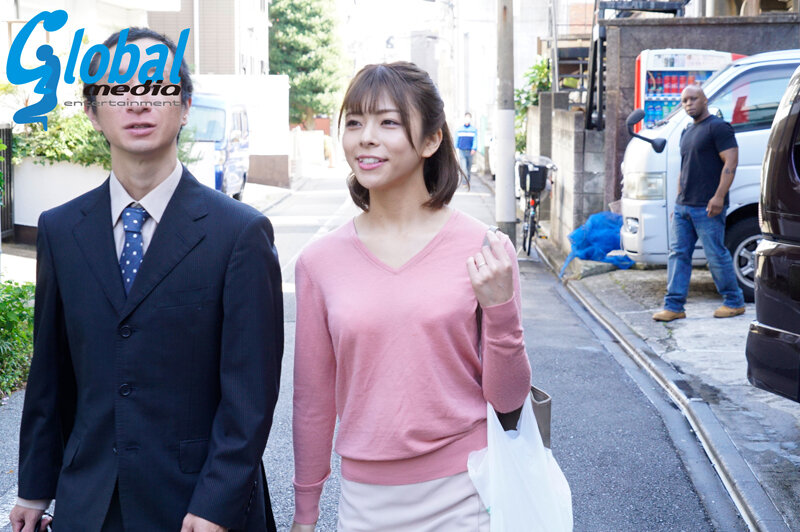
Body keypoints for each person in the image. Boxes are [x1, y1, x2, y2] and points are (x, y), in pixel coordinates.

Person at [9, 28, 283, 532]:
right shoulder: (61, 230)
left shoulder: (239, 233)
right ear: (93, 112)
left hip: (199, 506)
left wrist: (217, 502)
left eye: (156, 87)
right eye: (117, 90)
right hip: (91, 502)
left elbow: (250, 396)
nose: (138, 103)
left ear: (185, 106)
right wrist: (33, 487)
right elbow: (49, 378)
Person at [290, 62, 531, 531]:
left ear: (431, 140)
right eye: (354, 122)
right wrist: (305, 512)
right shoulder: (319, 262)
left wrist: (501, 312)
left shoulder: (486, 250)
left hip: (467, 493)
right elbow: (312, 399)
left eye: (388, 122)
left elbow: (508, 399)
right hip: (364, 503)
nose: (366, 138)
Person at [652, 85, 745, 322]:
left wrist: (719, 196)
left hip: (707, 206)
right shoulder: (687, 131)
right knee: (678, 255)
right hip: (684, 206)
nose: (688, 104)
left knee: (716, 255)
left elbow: (731, 162)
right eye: (684, 101)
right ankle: (674, 306)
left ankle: (734, 302)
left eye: (693, 99)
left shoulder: (718, 127)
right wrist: (678, 201)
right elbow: (685, 168)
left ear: (704, 100)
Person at [456, 112, 478, 184]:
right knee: (464, 167)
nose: (467, 119)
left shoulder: (473, 130)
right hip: (462, 151)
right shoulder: (459, 129)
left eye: (469, 118)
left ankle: (468, 180)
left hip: (470, 151)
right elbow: (456, 140)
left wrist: (474, 148)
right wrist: (455, 148)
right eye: (466, 117)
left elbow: (475, 140)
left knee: (469, 167)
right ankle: (464, 182)